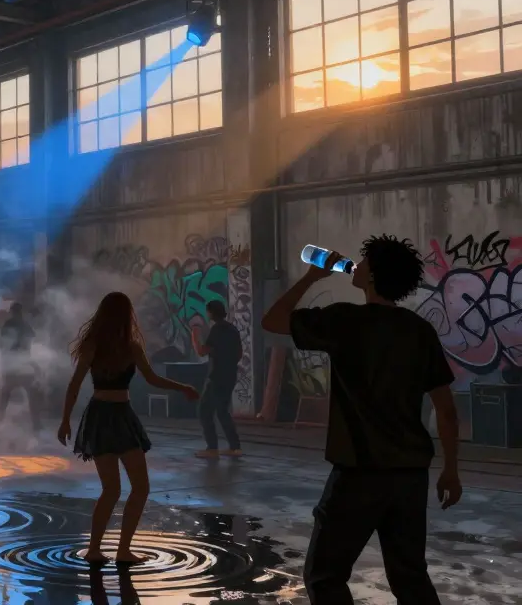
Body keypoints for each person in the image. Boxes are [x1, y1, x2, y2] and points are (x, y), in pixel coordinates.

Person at [261, 236, 462, 604]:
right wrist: (451, 469)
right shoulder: (419, 330)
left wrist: (311, 277)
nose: (358, 263)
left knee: (325, 575)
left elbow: (272, 320)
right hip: (410, 476)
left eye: (365, 260)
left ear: (371, 276)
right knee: (410, 578)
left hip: (358, 472)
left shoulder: (345, 321)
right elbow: (446, 409)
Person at [57, 292, 199, 564]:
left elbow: (76, 385)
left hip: (110, 416)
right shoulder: (118, 347)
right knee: (130, 488)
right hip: (112, 416)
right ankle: (112, 550)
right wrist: (64, 420)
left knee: (120, 489)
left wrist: (65, 420)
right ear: (126, 315)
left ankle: (109, 550)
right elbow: (151, 379)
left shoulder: (110, 346)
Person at [190, 300, 243, 458]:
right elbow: (239, 353)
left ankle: (212, 448)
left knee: (204, 411)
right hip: (230, 375)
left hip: (216, 376)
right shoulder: (232, 329)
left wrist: (194, 335)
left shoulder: (217, 329)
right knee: (222, 411)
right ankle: (235, 447)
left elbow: (201, 351)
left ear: (211, 313)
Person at [0, 302, 41, 431]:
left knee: (10, 394)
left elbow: (26, 344)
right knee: (8, 394)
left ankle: (36, 424)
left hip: (20, 365)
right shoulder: (16, 325)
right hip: (16, 365)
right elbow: (7, 346)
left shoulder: (19, 325)